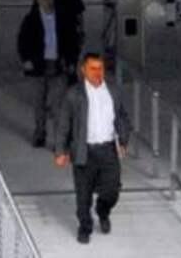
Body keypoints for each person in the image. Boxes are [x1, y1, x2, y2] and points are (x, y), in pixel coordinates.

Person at [54, 52, 131, 245]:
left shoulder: (113, 91)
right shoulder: (74, 94)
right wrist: (60, 151)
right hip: (84, 151)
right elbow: (63, 124)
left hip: (107, 149)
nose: (97, 72)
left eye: (100, 68)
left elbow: (121, 118)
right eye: (93, 68)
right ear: (83, 70)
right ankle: (85, 227)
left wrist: (123, 141)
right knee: (83, 194)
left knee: (112, 189)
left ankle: (103, 211)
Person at [17, 0, 74, 148]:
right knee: (39, 104)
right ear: (37, 0)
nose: (48, 1)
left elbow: (71, 41)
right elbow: (22, 41)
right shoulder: (31, 20)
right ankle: (40, 133)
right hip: (38, 67)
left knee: (58, 106)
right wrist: (25, 59)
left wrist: (70, 61)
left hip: (58, 66)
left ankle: (60, 141)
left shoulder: (63, 18)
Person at [47, 0, 85, 76]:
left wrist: (81, 31)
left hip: (70, 35)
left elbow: (79, 14)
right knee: (54, 69)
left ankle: (70, 74)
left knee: (71, 65)